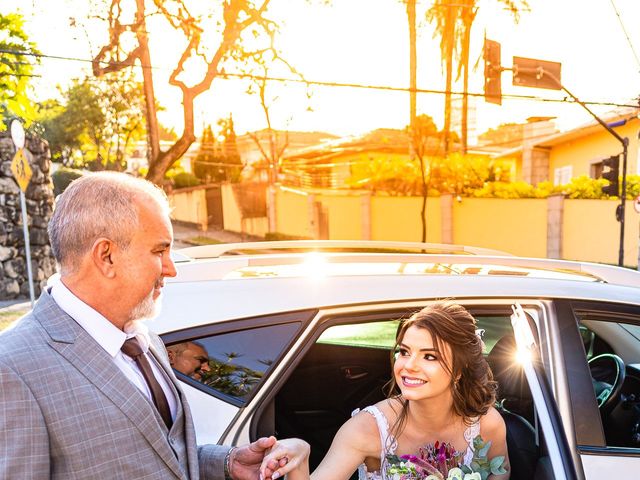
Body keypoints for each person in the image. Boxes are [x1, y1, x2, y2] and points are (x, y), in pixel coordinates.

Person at [0, 172, 283, 480]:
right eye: (159, 251)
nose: (171, 269)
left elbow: (156, 455)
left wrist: (227, 463)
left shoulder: (142, 338)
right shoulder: (12, 368)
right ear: (106, 256)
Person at [260, 301, 511, 480]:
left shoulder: (487, 424)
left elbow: (501, 473)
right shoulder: (367, 428)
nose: (408, 366)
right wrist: (301, 456)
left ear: (458, 371)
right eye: (404, 352)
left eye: (429, 357)